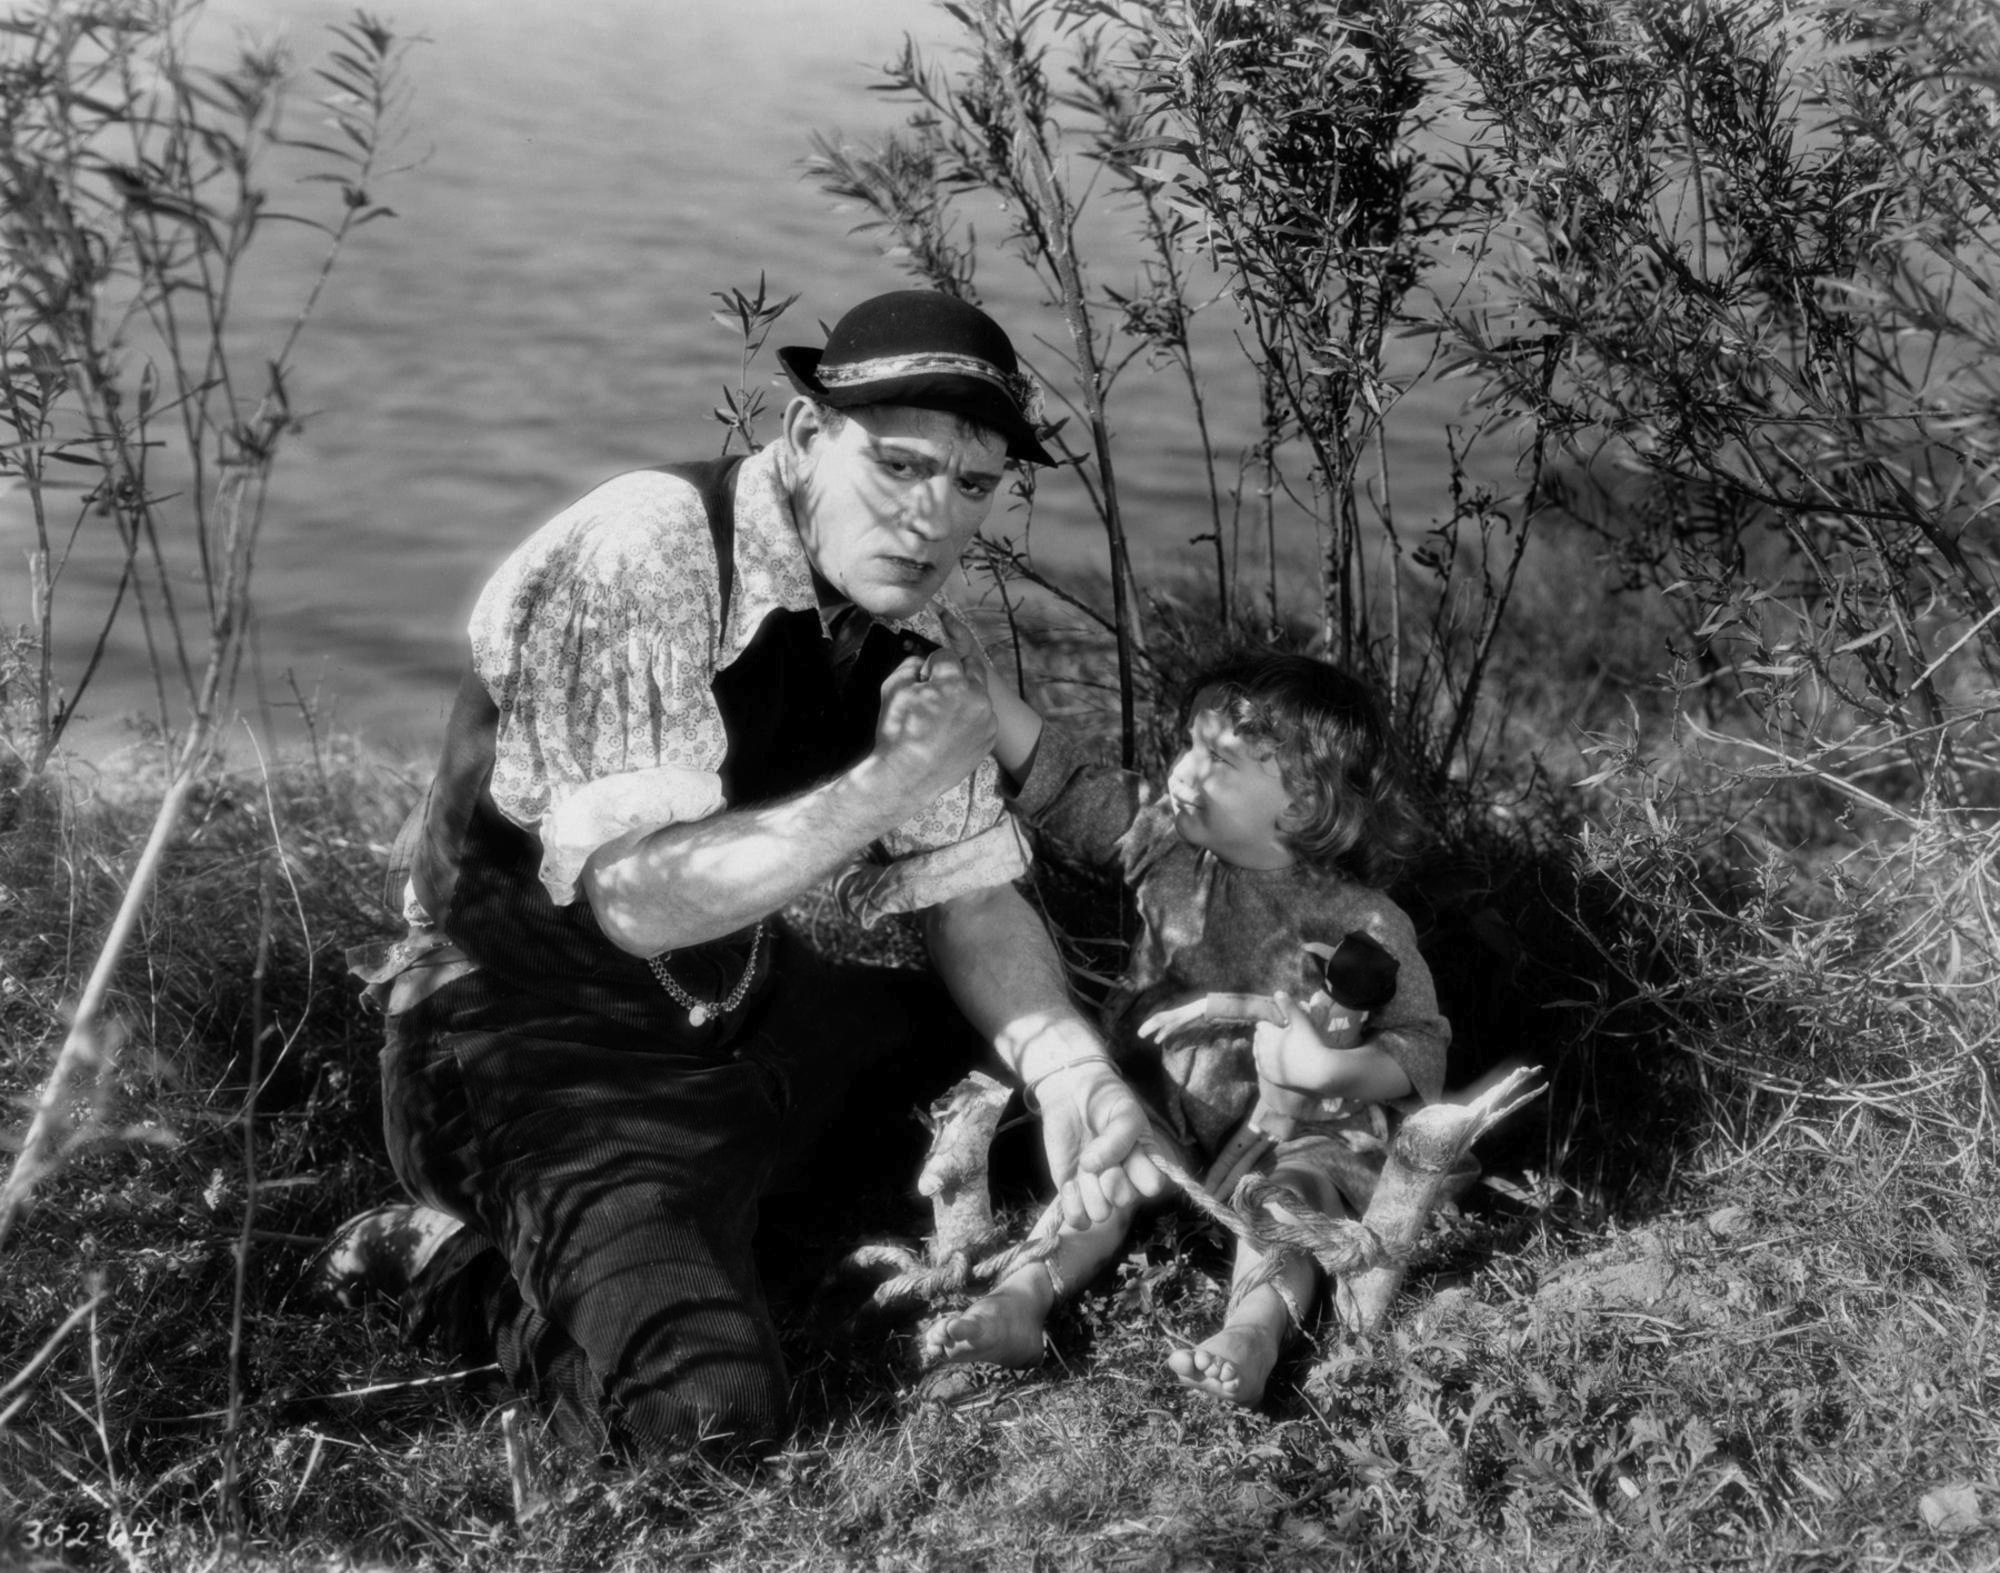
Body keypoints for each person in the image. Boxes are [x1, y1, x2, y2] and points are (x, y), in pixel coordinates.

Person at [328, 289, 1166, 1456]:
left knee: (1125, 1099)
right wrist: (883, 780)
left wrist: (1067, 1065)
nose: (931, 519)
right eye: (897, 463)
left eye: (969, 485)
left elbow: (968, 892)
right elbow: (628, 900)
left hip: (754, 1008)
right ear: (808, 432)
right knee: (704, 1414)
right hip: (527, 1044)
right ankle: (452, 1259)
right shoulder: (651, 548)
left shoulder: (913, 628)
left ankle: (754, 1227)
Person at [920, 650, 1450, 1407]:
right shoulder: (1168, 845)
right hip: (1167, 1105)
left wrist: (1332, 1071)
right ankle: (1023, 1298)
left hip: (1299, 1131)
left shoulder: (1362, 920)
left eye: (1220, 759)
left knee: (1286, 1200)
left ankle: (1253, 1332)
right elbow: (1070, 783)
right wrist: (983, 690)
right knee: (1107, 1170)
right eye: (1191, 744)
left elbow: (1422, 1041)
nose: (1184, 772)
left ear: (1302, 804)